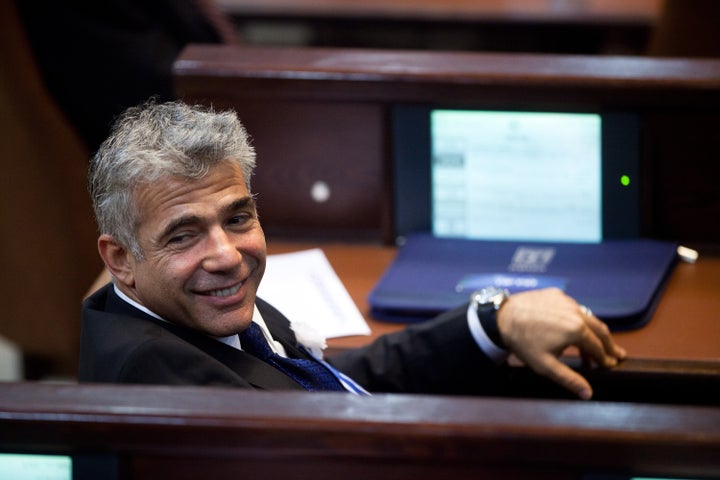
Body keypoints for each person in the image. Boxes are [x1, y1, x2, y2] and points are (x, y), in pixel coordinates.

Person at [79, 100, 626, 399]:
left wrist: (491, 320)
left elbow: (336, 381)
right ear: (120, 259)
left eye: (238, 217)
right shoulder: (161, 379)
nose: (225, 253)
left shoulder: (198, 310)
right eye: (183, 234)